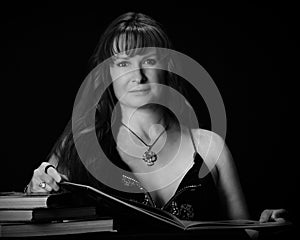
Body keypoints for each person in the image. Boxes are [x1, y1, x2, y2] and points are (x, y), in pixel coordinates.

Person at [24, 12, 287, 223]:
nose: (137, 76)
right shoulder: (81, 144)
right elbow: (35, 206)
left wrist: (268, 226)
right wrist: (36, 188)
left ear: (167, 66)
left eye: (148, 61)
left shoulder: (209, 147)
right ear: (107, 74)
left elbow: (246, 232)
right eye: (123, 63)